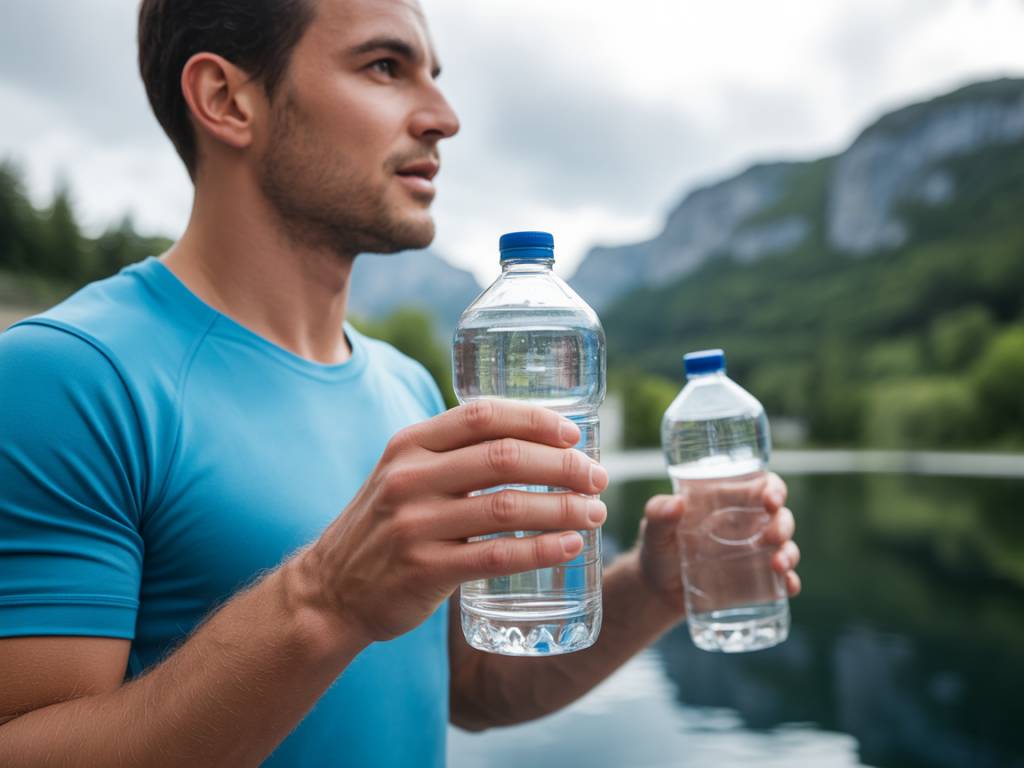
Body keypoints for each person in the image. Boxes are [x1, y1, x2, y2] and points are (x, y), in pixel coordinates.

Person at [0, 0, 801, 765]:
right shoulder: (68, 378)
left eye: (435, 73)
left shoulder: (409, 388)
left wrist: (651, 586)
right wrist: (323, 602)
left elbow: (473, 685)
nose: (443, 117)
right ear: (226, 99)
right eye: (385, 66)